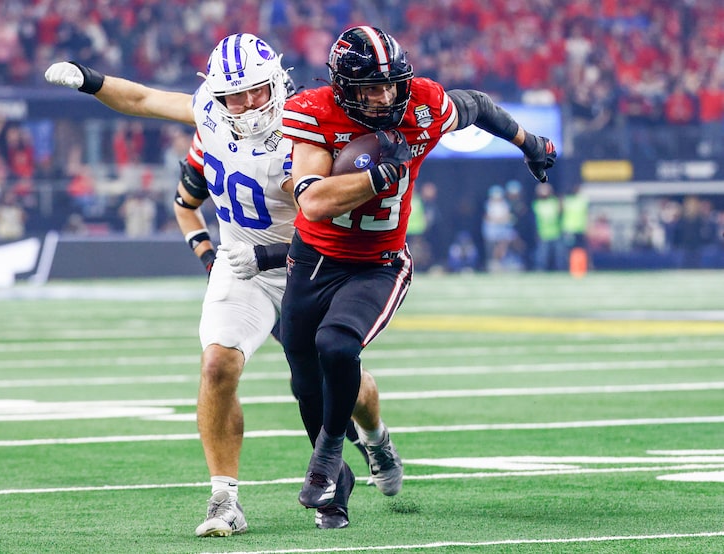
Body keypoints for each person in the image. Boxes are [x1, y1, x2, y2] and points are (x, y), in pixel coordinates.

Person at [45, 32, 394, 536]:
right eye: (236, 93)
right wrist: (89, 80)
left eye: (257, 90)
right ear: (217, 93)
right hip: (240, 264)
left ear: (276, 81)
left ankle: (376, 438)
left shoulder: (308, 123)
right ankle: (224, 498)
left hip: (309, 262)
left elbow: (335, 208)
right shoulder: (209, 113)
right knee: (217, 363)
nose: (249, 103)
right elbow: (141, 98)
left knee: (343, 382)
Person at [276, 25, 556, 521]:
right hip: (315, 257)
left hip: (378, 263)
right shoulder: (313, 110)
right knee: (305, 382)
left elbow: (478, 106)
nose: (384, 96)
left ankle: (327, 459)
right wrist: (374, 177)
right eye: (370, 88)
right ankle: (348, 470)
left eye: (390, 84)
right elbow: (314, 202)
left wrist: (529, 142)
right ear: (343, 86)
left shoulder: (422, 105)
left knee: (337, 346)